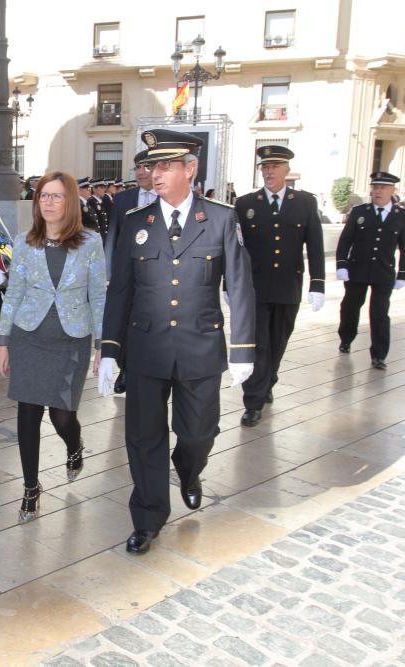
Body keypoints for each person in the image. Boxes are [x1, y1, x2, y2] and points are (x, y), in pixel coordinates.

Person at [97, 129, 255, 555]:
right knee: (143, 437)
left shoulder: (221, 219)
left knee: (199, 433)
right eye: (152, 166)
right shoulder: (135, 223)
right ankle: (147, 517)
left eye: (166, 165)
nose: (155, 173)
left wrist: (243, 348)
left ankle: (188, 469)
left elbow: (239, 286)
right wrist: (110, 349)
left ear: (190, 169)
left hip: (199, 348)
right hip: (146, 350)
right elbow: (121, 291)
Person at [0, 171, 106, 522]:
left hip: (72, 337)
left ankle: (74, 445)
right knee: (28, 414)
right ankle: (30, 489)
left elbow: (99, 295)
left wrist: (104, 345)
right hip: (30, 335)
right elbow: (13, 293)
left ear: (71, 201)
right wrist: (3, 341)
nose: (49, 202)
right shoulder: (25, 241)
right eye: (44, 195)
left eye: (57, 196)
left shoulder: (90, 242)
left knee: (63, 416)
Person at [233, 146, 325, 427]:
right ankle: (253, 401)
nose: (269, 171)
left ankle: (268, 380)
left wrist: (317, 283)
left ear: (287, 170)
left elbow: (316, 244)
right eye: (264, 167)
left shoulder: (305, 202)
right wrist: (230, 283)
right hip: (256, 288)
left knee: (278, 343)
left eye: (274, 166)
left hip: (288, 286)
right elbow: (236, 248)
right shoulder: (246, 204)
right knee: (258, 344)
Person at [336, 171, 405, 370]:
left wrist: (403, 274)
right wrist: (342, 264)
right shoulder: (360, 212)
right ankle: (346, 337)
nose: (378, 191)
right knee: (350, 307)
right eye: (375, 187)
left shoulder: (401, 216)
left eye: (383, 188)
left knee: (379, 313)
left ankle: (379, 354)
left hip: (383, 272)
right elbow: (346, 240)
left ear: (392, 191)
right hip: (357, 269)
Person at [103, 151, 159, 395]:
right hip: (128, 273)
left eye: (146, 166)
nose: (141, 172)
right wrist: (109, 272)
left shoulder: (165, 198)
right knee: (123, 321)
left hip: (156, 274)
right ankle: (125, 368)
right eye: (137, 167)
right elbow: (112, 236)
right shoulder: (124, 199)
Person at [88, 177, 110, 242]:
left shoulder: (100, 201)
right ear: (94, 189)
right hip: (97, 236)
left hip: (102, 235)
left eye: (104, 187)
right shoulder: (91, 201)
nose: (104, 190)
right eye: (101, 187)